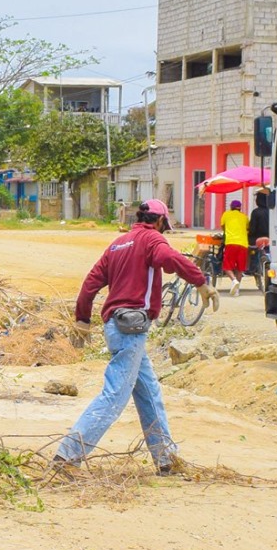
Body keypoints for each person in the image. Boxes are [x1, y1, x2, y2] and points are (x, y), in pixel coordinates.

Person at [52, 202, 212, 474]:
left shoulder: (118, 244)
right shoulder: (152, 239)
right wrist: (200, 282)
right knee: (114, 396)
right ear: (159, 221)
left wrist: (82, 318)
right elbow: (170, 258)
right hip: (131, 329)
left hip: (116, 327)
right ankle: (67, 457)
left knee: (149, 392)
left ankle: (166, 459)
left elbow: (90, 283)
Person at [219, 198, 252, 296]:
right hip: (243, 244)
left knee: (227, 266)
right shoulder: (245, 217)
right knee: (240, 268)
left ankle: (234, 280)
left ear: (231, 207)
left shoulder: (226, 214)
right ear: (240, 208)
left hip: (231, 243)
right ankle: (237, 290)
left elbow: (223, 227)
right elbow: (247, 228)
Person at [247, 189, 274, 291]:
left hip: (257, 239)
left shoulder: (256, 212)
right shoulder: (271, 211)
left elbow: (252, 229)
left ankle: (252, 268)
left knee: (250, 250)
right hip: (270, 239)